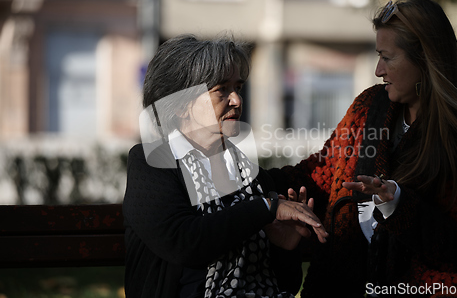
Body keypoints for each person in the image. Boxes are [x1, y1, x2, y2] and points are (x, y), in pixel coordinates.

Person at [268, 0, 457, 297]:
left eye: (387, 57)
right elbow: (319, 173)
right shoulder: (369, 107)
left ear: (424, 59)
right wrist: (250, 185)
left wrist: (398, 204)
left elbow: (450, 244)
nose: (378, 70)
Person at [122, 34, 328, 298]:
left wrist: (284, 248)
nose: (237, 101)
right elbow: (184, 242)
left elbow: (284, 286)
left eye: (238, 88)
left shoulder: (254, 178)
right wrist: (265, 208)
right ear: (181, 105)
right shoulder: (152, 163)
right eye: (222, 90)